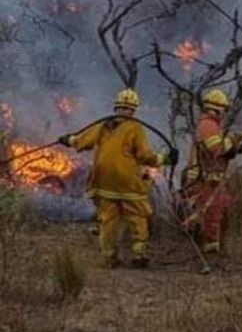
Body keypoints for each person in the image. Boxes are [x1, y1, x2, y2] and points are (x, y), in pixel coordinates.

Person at [59, 88, 176, 268]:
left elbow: (84, 140)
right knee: (137, 213)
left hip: (102, 178)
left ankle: (109, 257)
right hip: (127, 180)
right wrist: (165, 159)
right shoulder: (135, 128)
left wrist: (69, 140)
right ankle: (139, 254)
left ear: (116, 107)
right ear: (134, 109)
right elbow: (145, 156)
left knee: (108, 218)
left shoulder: (104, 124)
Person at [183, 89, 242, 254]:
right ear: (218, 109)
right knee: (211, 213)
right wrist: (233, 141)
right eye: (223, 110)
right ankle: (208, 248)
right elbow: (216, 149)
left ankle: (209, 244)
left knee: (217, 209)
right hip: (205, 179)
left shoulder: (211, 125)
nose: (224, 114)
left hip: (212, 179)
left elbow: (225, 148)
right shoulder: (208, 125)